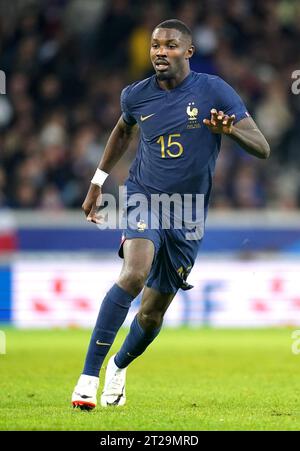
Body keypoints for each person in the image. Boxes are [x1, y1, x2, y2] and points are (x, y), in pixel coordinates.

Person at [71, 19, 270, 410]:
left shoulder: (214, 90)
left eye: (170, 45)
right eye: (155, 45)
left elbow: (261, 146)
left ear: (188, 52)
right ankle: (86, 378)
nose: (160, 52)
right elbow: (122, 131)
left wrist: (230, 131)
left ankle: (118, 365)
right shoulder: (136, 96)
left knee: (151, 313)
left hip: (188, 213)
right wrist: (97, 183)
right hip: (145, 197)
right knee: (134, 274)